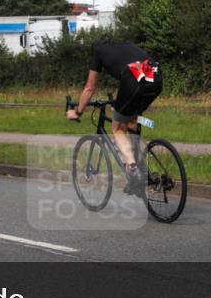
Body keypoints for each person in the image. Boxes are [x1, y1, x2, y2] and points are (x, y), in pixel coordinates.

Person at [66, 38, 163, 193]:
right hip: (156, 78)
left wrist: (77, 112)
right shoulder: (125, 45)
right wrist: (119, 104)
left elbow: (90, 87)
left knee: (117, 128)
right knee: (131, 121)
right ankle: (140, 174)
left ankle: (132, 169)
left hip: (133, 80)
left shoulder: (98, 50)